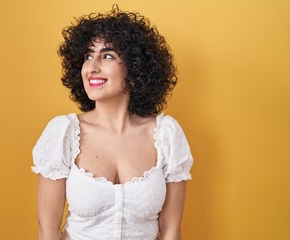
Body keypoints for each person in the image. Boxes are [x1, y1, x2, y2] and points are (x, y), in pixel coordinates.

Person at [31, 5, 194, 240]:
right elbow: (47, 232)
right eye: (88, 56)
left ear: (135, 71)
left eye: (107, 55)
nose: (92, 67)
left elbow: (170, 230)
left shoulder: (166, 135)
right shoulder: (64, 133)